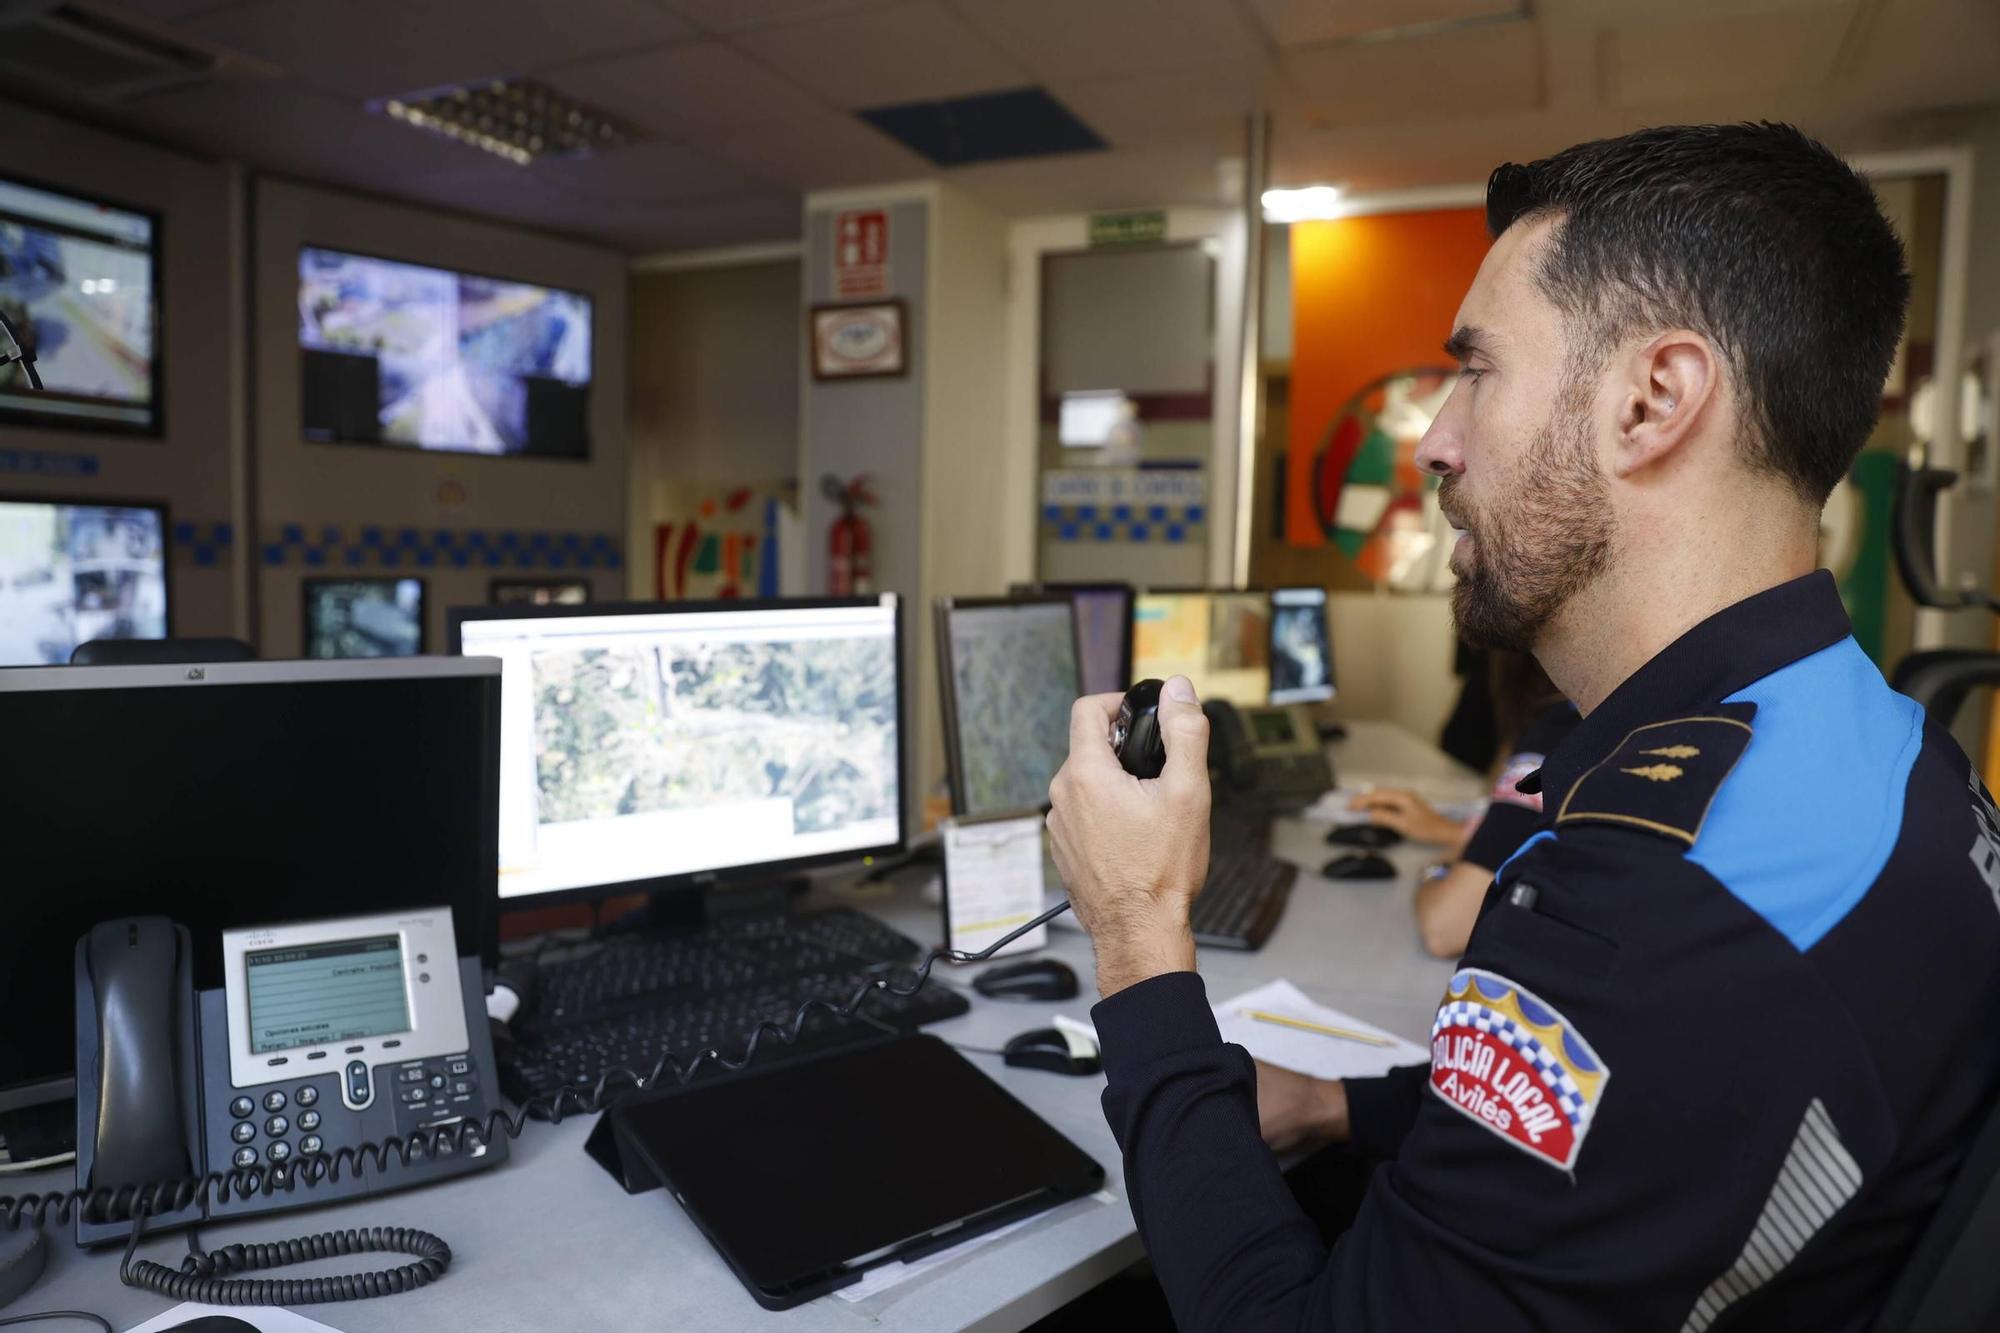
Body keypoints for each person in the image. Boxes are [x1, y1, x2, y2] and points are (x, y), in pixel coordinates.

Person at [1045, 122, 2000, 1331]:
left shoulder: (1657, 912)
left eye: (1477, 370)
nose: (1435, 440)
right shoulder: (1879, 741)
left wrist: (1133, 931)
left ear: (1652, 400)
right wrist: (1345, 1107)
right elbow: (1626, 1123)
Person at [1349, 651, 1576, 957]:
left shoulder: (1560, 729)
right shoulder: (1618, 716)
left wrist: (1436, 868)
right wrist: (1459, 831)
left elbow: (1446, 929)